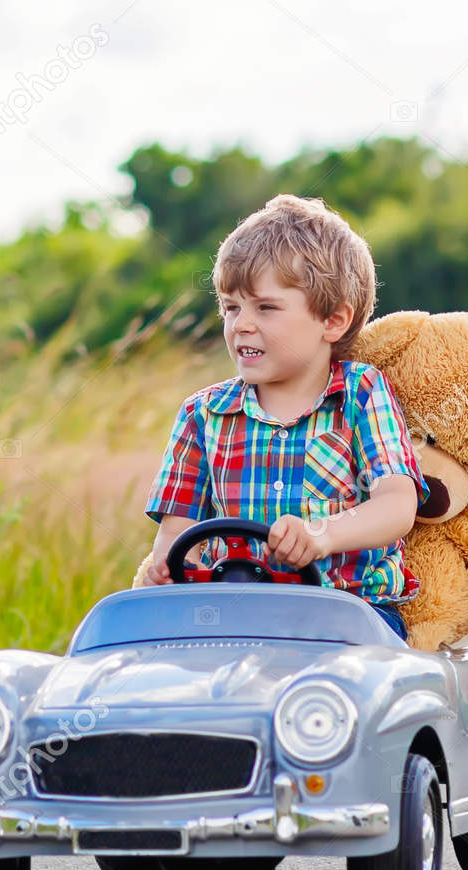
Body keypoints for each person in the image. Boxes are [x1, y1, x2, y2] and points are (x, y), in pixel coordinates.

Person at [139, 193, 430, 641]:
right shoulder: (202, 415)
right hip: (232, 620)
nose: (241, 325)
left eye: (266, 307)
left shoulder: (360, 394)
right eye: (230, 307)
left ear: (332, 321)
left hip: (350, 619)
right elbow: (177, 539)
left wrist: (322, 534)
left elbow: (397, 505)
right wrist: (165, 573)